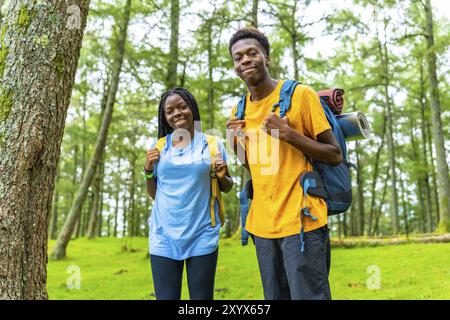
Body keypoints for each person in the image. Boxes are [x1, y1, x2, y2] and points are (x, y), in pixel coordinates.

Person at [226, 28, 342, 300]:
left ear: (266, 58)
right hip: (262, 226)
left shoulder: (301, 95)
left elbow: (334, 154)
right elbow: (257, 168)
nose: (245, 60)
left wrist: (288, 134)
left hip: (302, 220)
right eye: (238, 57)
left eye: (252, 53)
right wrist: (235, 144)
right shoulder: (238, 111)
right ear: (235, 68)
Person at [144, 87, 233, 300]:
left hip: (202, 232)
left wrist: (222, 177)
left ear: (192, 108)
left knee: (201, 301)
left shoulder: (211, 144)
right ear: (165, 117)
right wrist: (147, 171)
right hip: (164, 234)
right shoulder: (159, 147)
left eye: (182, 106)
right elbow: (155, 194)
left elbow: (227, 186)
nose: (177, 113)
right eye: (170, 110)